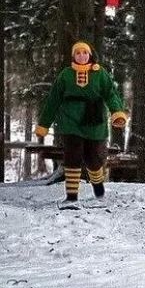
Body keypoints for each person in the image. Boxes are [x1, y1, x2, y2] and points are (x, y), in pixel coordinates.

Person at [34, 41, 129, 209]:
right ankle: (71, 197)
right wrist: (44, 124)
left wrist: (117, 113)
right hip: (70, 122)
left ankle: (98, 188)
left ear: (90, 55)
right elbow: (53, 101)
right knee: (72, 157)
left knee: (93, 160)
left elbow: (111, 95)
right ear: (73, 56)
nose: (81, 56)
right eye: (78, 53)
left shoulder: (101, 74)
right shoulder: (65, 75)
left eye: (84, 53)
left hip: (95, 121)